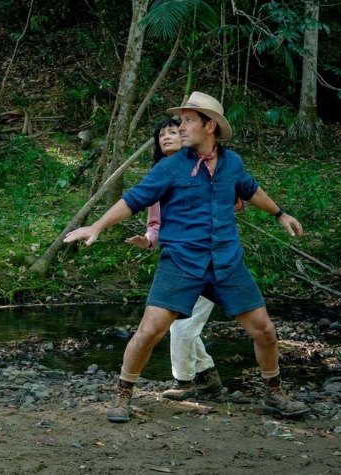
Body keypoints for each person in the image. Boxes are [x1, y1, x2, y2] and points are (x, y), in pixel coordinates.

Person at [64, 91, 309, 422]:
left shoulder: (232, 163)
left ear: (210, 126)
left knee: (264, 330)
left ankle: (274, 393)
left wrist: (280, 214)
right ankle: (123, 395)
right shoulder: (170, 166)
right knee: (149, 332)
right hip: (181, 261)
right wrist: (97, 225)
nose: (180, 127)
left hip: (226, 261)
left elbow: (250, 190)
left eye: (188, 120)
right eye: (181, 121)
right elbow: (134, 198)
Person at [124, 117, 222, 401]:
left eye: (173, 132)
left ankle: (185, 382)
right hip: (176, 261)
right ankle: (208, 378)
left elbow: (229, 197)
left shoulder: (206, 167)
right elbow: (155, 224)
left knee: (182, 326)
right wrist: (147, 240)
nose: (166, 136)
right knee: (182, 324)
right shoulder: (159, 175)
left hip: (208, 258)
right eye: (161, 134)